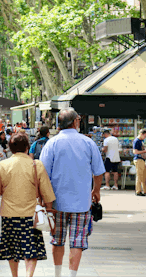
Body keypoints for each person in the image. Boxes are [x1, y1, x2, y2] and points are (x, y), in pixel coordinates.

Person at [40, 108, 105, 277]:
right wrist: (96, 190)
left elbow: (42, 174)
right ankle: (72, 275)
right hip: (82, 203)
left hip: (57, 203)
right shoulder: (88, 143)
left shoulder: (51, 143)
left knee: (58, 239)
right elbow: (98, 172)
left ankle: (57, 274)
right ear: (76, 121)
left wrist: (44, 200)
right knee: (77, 242)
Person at [0, 132, 55, 277]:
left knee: (12, 248)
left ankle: (14, 275)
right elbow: (47, 192)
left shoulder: (2, 165)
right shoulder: (36, 165)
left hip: (9, 215)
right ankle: (29, 275)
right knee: (31, 249)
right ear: (27, 147)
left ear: (11, 148)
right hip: (31, 216)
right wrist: (49, 209)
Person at [133, 129, 146, 196]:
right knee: (139, 176)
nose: (145, 137)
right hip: (138, 159)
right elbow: (135, 152)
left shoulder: (140, 141)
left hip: (141, 160)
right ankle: (138, 191)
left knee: (143, 176)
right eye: (144, 136)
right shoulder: (137, 141)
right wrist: (144, 151)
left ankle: (145, 190)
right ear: (141, 134)